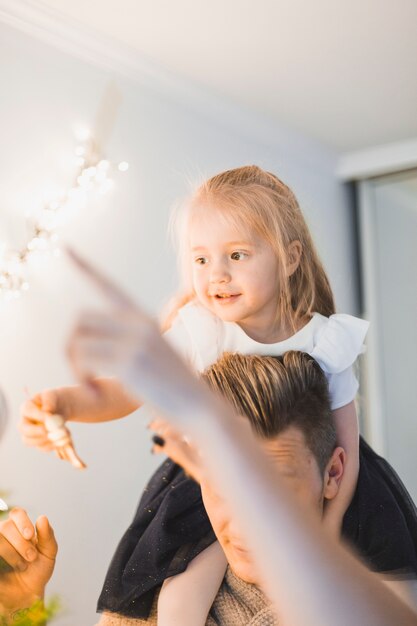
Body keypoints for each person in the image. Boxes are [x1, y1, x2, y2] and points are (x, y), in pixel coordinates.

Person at [20, 166, 369, 620]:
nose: (216, 276)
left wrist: (332, 528)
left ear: (290, 257)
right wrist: (66, 403)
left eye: (237, 255)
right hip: (204, 489)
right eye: (201, 260)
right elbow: (125, 390)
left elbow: (350, 447)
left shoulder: (326, 341)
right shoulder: (201, 332)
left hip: (297, 486)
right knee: (180, 597)